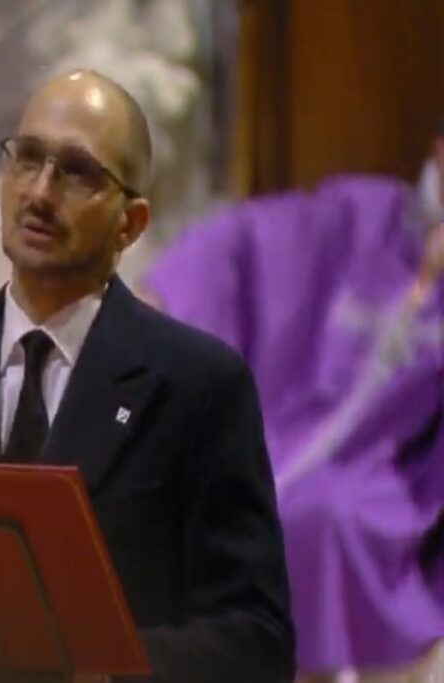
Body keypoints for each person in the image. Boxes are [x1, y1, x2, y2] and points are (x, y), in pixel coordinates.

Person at [0, 70, 296, 682]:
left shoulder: (199, 386)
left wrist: (107, 667)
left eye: (77, 172)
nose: (40, 192)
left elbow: (257, 639)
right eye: (28, 159)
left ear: (132, 223)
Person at [141, 142, 444, 677]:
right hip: (281, 432)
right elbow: (253, 244)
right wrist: (163, 299)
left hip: (398, 480)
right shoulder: (366, 216)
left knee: (325, 517)